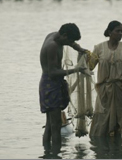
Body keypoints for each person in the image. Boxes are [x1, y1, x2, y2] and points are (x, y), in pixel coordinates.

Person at [39, 23, 88, 154]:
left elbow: (70, 43)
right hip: (50, 85)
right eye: (70, 40)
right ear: (65, 35)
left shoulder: (56, 35)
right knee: (55, 127)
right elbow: (52, 72)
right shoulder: (52, 46)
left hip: (53, 84)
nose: (71, 43)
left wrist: (80, 49)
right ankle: (56, 155)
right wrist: (76, 69)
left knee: (50, 124)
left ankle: (47, 154)